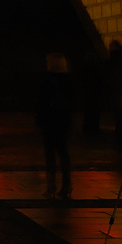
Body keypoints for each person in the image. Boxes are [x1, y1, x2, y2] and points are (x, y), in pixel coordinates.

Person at [34, 52, 74, 200]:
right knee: (63, 153)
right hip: (63, 120)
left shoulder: (47, 80)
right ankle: (66, 185)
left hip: (49, 120)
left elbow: (40, 102)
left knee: (50, 154)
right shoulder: (68, 80)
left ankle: (51, 186)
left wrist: (39, 118)